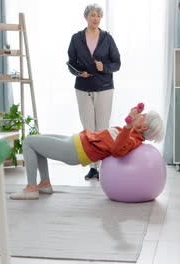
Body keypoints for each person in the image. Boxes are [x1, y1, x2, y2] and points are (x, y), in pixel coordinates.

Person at [10, 104, 164, 200]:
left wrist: (128, 126)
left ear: (144, 127)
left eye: (143, 116)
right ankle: (44, 184)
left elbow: (117, 150)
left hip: (75, 150)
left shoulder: (133, 140)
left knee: (29, 142)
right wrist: (131, 120)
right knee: (36, 141)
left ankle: (31, 188)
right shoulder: (130, 134)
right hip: (77, 141)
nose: (140, 115)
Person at [67, 3, 121, 180]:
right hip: (83, 88)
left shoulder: (107, 38)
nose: (96, 18)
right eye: (92, 15)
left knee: (102, 128)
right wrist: (78, 72)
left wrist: (103, 66)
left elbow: (117, 63)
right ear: (86, 17)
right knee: (89, 129)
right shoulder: (76, 38)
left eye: (98, 16)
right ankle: (93, 168)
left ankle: (105, 167)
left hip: (104, 87)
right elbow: (70, 62)